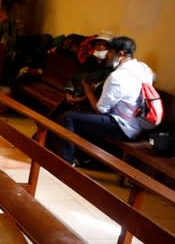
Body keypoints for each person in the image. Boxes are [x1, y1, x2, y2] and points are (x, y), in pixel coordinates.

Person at [57, 35, 156, 166]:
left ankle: (66, 162)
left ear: (120, 54)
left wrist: (88, 89)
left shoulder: (117, 76)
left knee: (68, 118)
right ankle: (83, 157)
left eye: (110, 52)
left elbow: (100, 109)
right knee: (79, 112)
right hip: (137, 123)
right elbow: (152, 80)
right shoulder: (144, 68)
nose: (107, 55)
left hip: (122, 127)